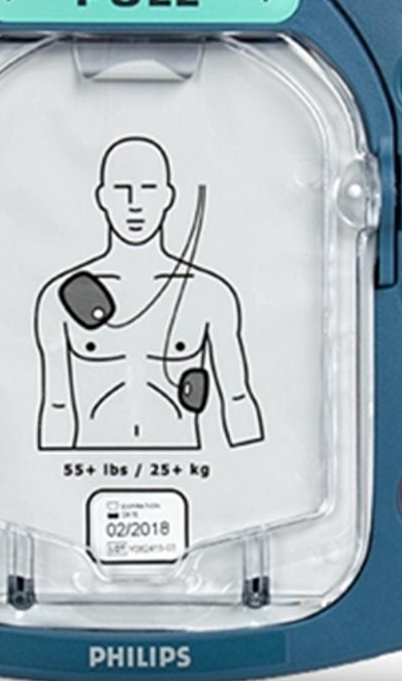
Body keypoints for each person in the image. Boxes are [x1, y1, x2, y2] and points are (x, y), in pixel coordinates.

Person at [35, 136, 264, 451]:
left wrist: (254, 468)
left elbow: (237, 396)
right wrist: (49, 470)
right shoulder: (61, 296)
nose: (135, 204)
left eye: (148, 189)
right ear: (102, 197)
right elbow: (56, 404)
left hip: (184, 460)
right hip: (92, 458)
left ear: (167, 197)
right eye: (122, 189)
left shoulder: (209, 293)